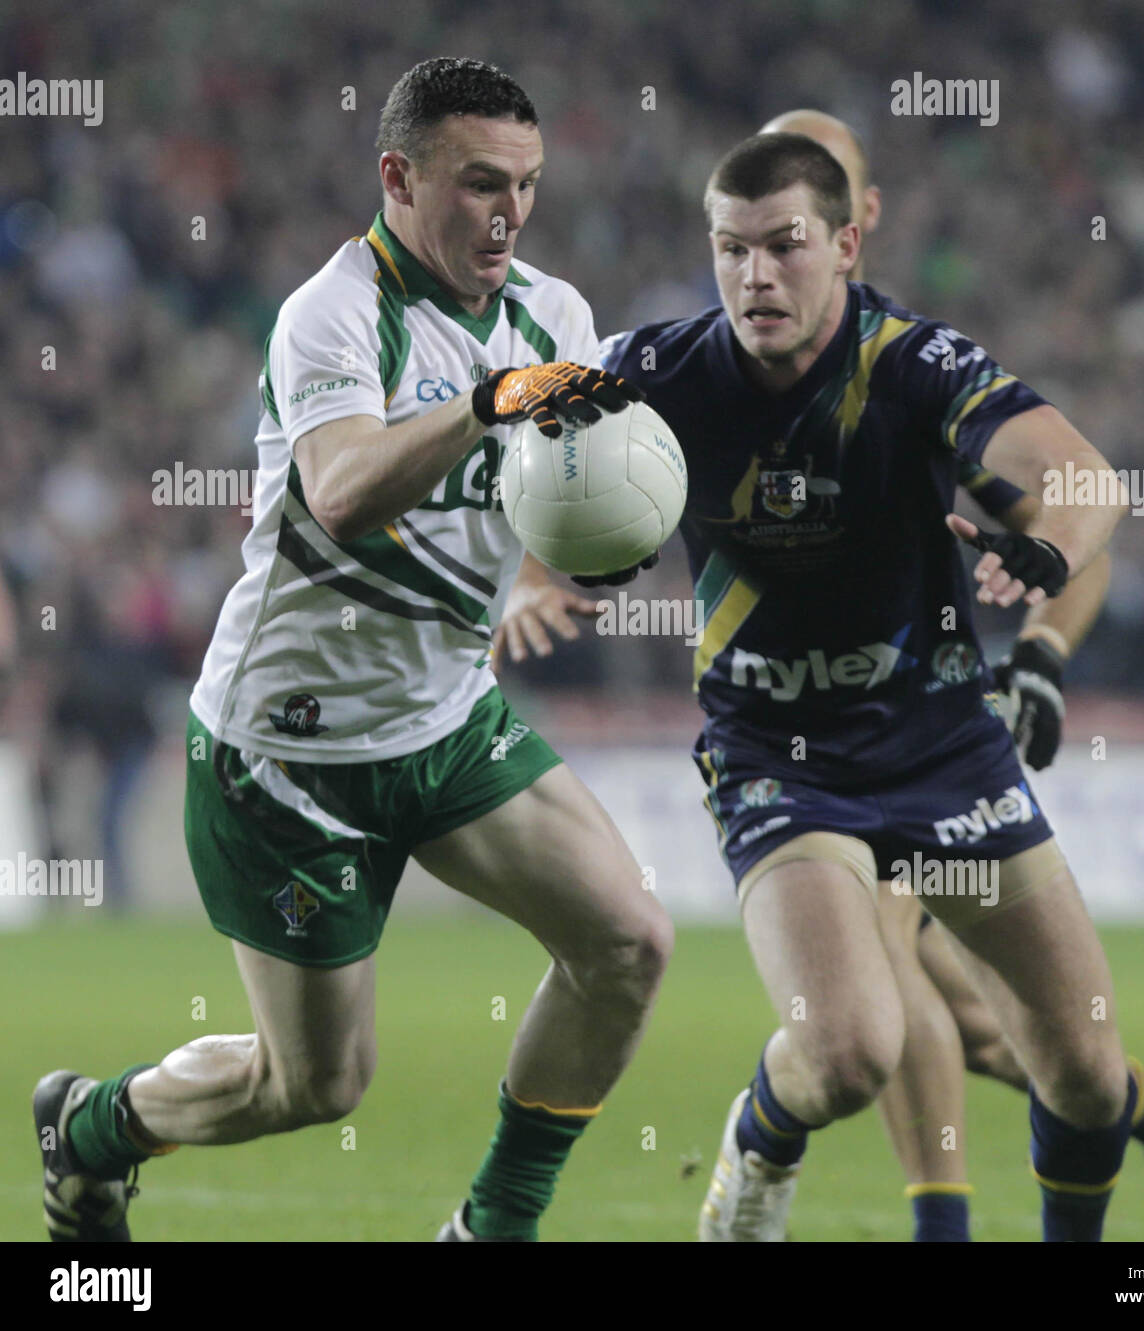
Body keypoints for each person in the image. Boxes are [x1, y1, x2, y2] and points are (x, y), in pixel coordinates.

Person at [507, 131, 1144, 1242]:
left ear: (846, 244)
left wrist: (1049, 555)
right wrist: (529, 570)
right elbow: (516, 429)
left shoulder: (913, 363)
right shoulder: (650, 371)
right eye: (731, 249)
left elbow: (1081, 475)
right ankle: (762, 1139)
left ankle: (1135, 1135)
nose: (757, 275)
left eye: (785, 246)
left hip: (942, 741)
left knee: (1082, 1068)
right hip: (777, 756)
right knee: (849, 1046)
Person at [34, 56, 672, 1245]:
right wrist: (487, 402)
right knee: (313, 1087)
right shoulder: (331, 314)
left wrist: (574, 559)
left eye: (527, 185)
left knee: (627, 940)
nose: (509, 213)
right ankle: (93, 1126)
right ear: (398, 174)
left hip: (443, 723)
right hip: (285, 757)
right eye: (482, 182)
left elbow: (555, 491)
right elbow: (339, 494)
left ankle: (495, 1224)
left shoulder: (558, 316)